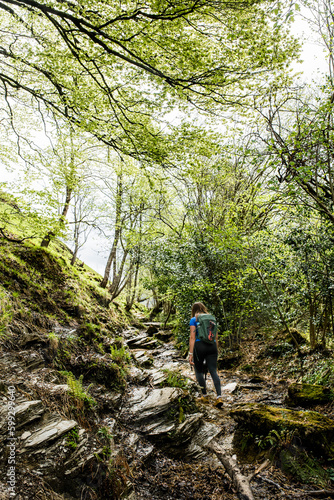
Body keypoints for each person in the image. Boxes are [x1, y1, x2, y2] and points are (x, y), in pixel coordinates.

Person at [189, 302, 223, 407]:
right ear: (204, 308)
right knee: (213, 371)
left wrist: (190, 353)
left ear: (194, 310)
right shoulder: (212, 318)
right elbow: (216, 337)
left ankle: (204, 396)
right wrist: (215, 350)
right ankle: (219, 397)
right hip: (212, 346)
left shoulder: (194, 319)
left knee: (198, 370)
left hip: (199, 346)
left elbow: (192, 337)